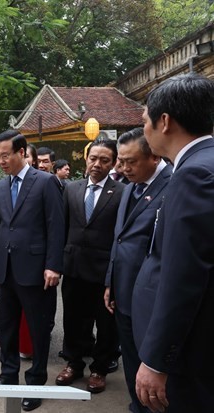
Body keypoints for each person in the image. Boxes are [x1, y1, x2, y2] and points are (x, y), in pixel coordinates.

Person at [132, 73, 214, 413]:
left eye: (145, 120)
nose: (144, 129)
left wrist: (156, 360)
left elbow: (183, 275)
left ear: (164, 121)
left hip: (187, 355)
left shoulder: (196, 175)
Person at [0, 130, 64, 412]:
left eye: (6, 155)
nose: (1, 161)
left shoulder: (45, 183)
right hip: (5, 270)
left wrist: (54, 265)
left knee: (38, 328)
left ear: (21, 152)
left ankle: (35, 382)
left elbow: (56, 226)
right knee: (5, 328)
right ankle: (7, 376)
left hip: (37, 271)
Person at [103, 128, 172, 413]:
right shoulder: (130, 185)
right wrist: (111, 281)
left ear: (154, 156)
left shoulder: (175, 185)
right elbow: (119, 239)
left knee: (152, 369)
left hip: (151, 300)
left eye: (131, 161)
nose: (124, 168)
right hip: (123, 292)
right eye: (121, 161)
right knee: (131, 361)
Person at [56, 138, 124, 394]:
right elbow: (62, 227)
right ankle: (73, 363)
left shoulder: (121, 193)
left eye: (104, 160)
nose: (97, 164)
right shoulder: (71, 189)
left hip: (104, 270)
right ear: (86, 158)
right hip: (73, 267)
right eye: (93, 158)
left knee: (106, 323)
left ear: (113, 163)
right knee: (73, 319)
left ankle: (99, 369)